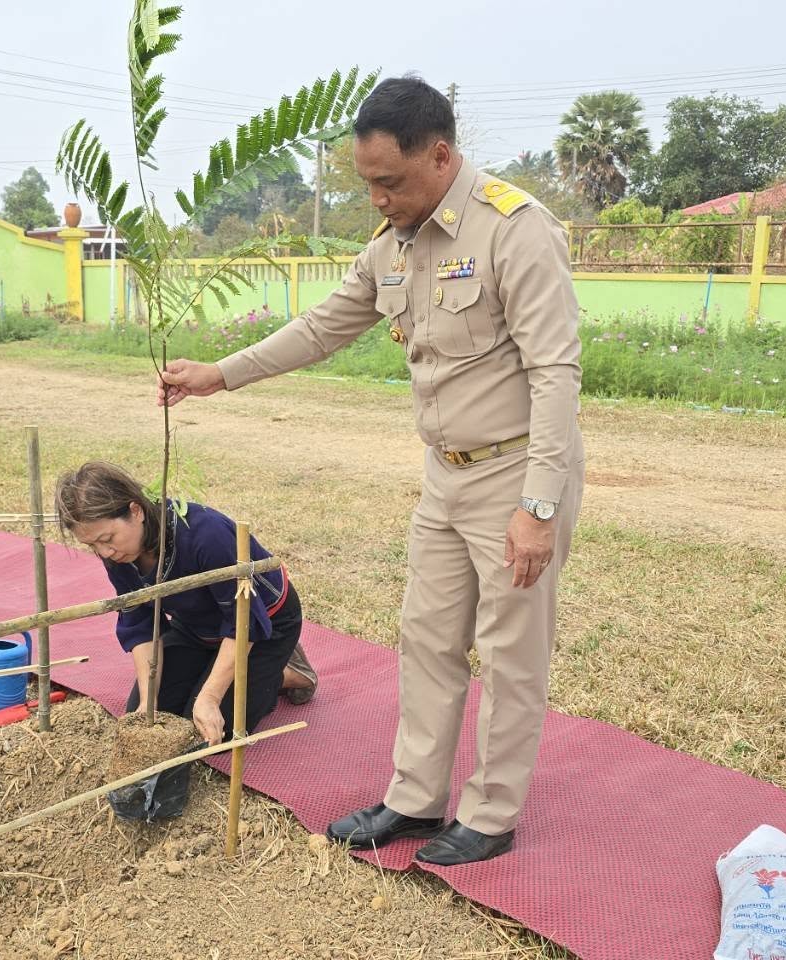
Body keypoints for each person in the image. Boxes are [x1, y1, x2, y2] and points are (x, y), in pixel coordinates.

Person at [157, 76, 584, 865]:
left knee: (510, 649)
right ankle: (415, 799)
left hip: (515, 469)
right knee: (425, 640)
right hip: (445, 474)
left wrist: (538, 506)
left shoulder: (512, 230)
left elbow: (555, 373)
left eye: (389, 181)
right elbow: (321, 328)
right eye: (367, 184)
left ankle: (490, 813)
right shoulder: (391, 247)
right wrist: (220, 373)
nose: (377, 200)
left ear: (440, 156)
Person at [54, 461, 317, 744]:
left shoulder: (205, 535)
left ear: (135, 510)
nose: (104, 552)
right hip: (196, 627)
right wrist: (147, 700)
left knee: (214, 734)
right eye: (92, 546)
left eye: (107, 539)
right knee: (153, 721)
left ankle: (283, 671)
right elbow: (141, 623)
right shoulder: (118, 554)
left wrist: (210, 697)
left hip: (262, 623)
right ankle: (213, 668)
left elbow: (243, 623)